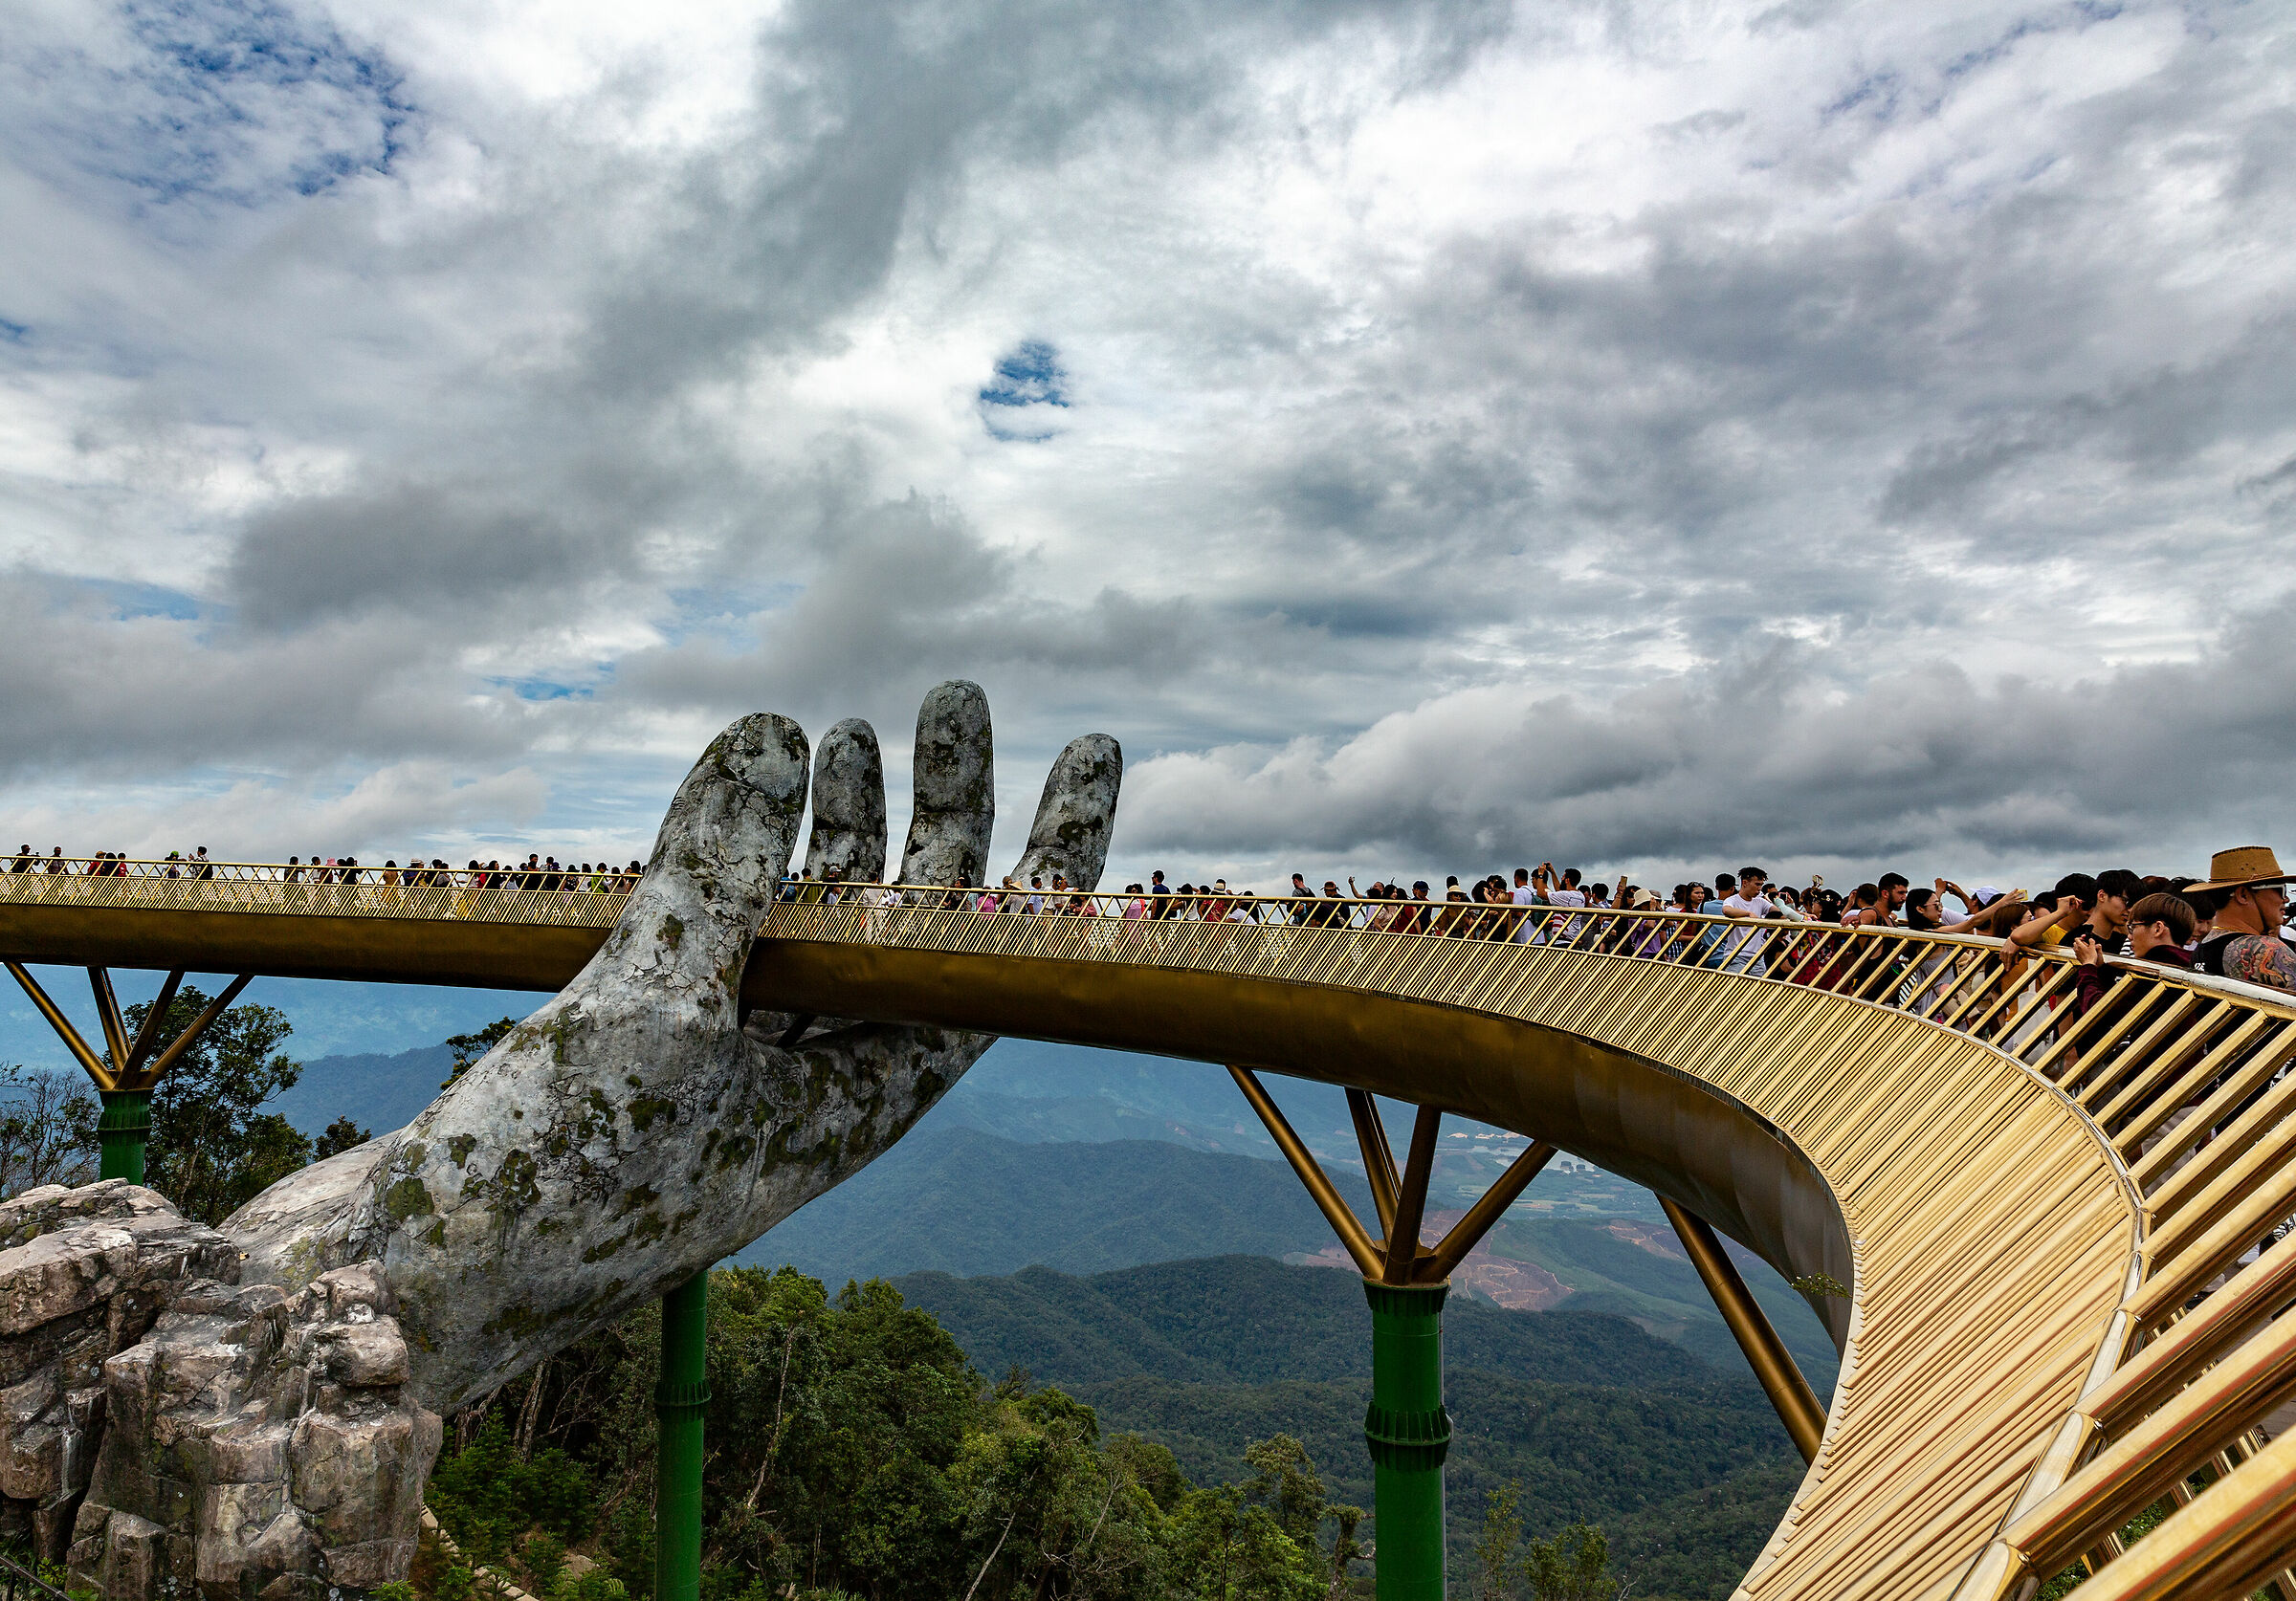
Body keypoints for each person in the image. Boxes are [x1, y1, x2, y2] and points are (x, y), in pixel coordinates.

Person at [2186, 847, 2295, 993]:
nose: (2286, 899)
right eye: (2281, 890)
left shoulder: (2201, 949)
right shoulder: (2269, 950)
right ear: (2243, 895)